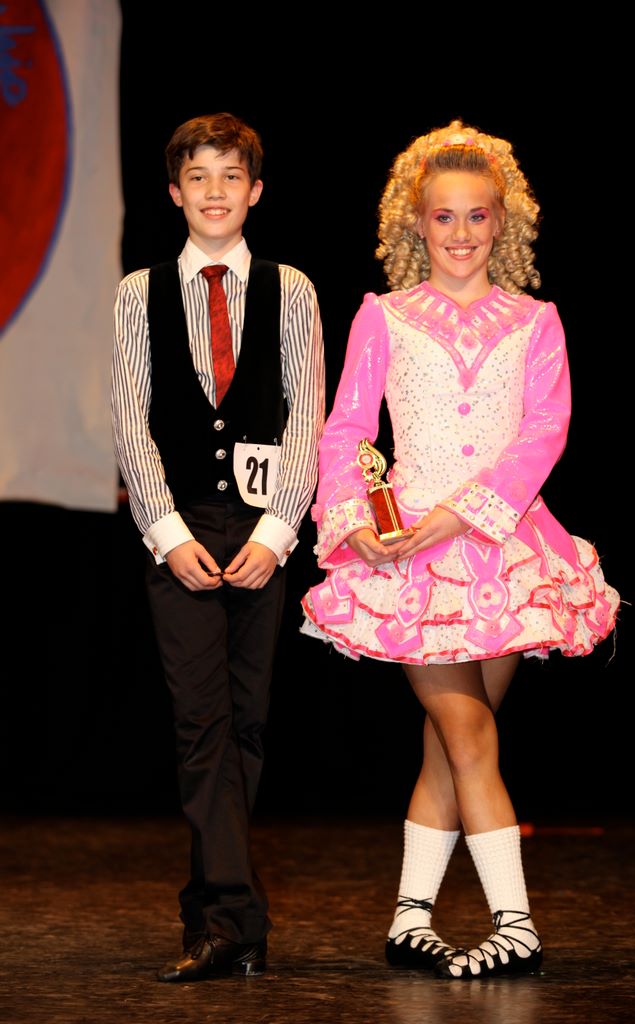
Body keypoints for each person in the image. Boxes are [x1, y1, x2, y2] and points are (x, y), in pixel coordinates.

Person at [301, 119, 619, 979]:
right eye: (443, 216)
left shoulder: (536, 321)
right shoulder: (383, 316)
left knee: (451, 744)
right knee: (468, 729)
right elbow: (345, 430)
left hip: (503, 550)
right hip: (412, 558)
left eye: (477, 215)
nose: (461, 233)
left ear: (502, 221)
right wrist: (352, 519)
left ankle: (409, 920)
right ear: (415, 222)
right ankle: (517, 925)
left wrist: (464, 513)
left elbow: (544, 433)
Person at [112, 112, 325, 983]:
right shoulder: (139, 293)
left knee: (246, 722)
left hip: (261, 531)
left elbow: (306, 418)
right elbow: (130, 422)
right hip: (182, 528)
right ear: (174, 193)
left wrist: (278, 533)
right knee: (201, 722)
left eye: (230, 176)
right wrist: (166, 535)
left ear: (255, 191)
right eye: (197, 177)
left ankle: (218, 913)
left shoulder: (291, 289)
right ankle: (233, 917)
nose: (214, 191)